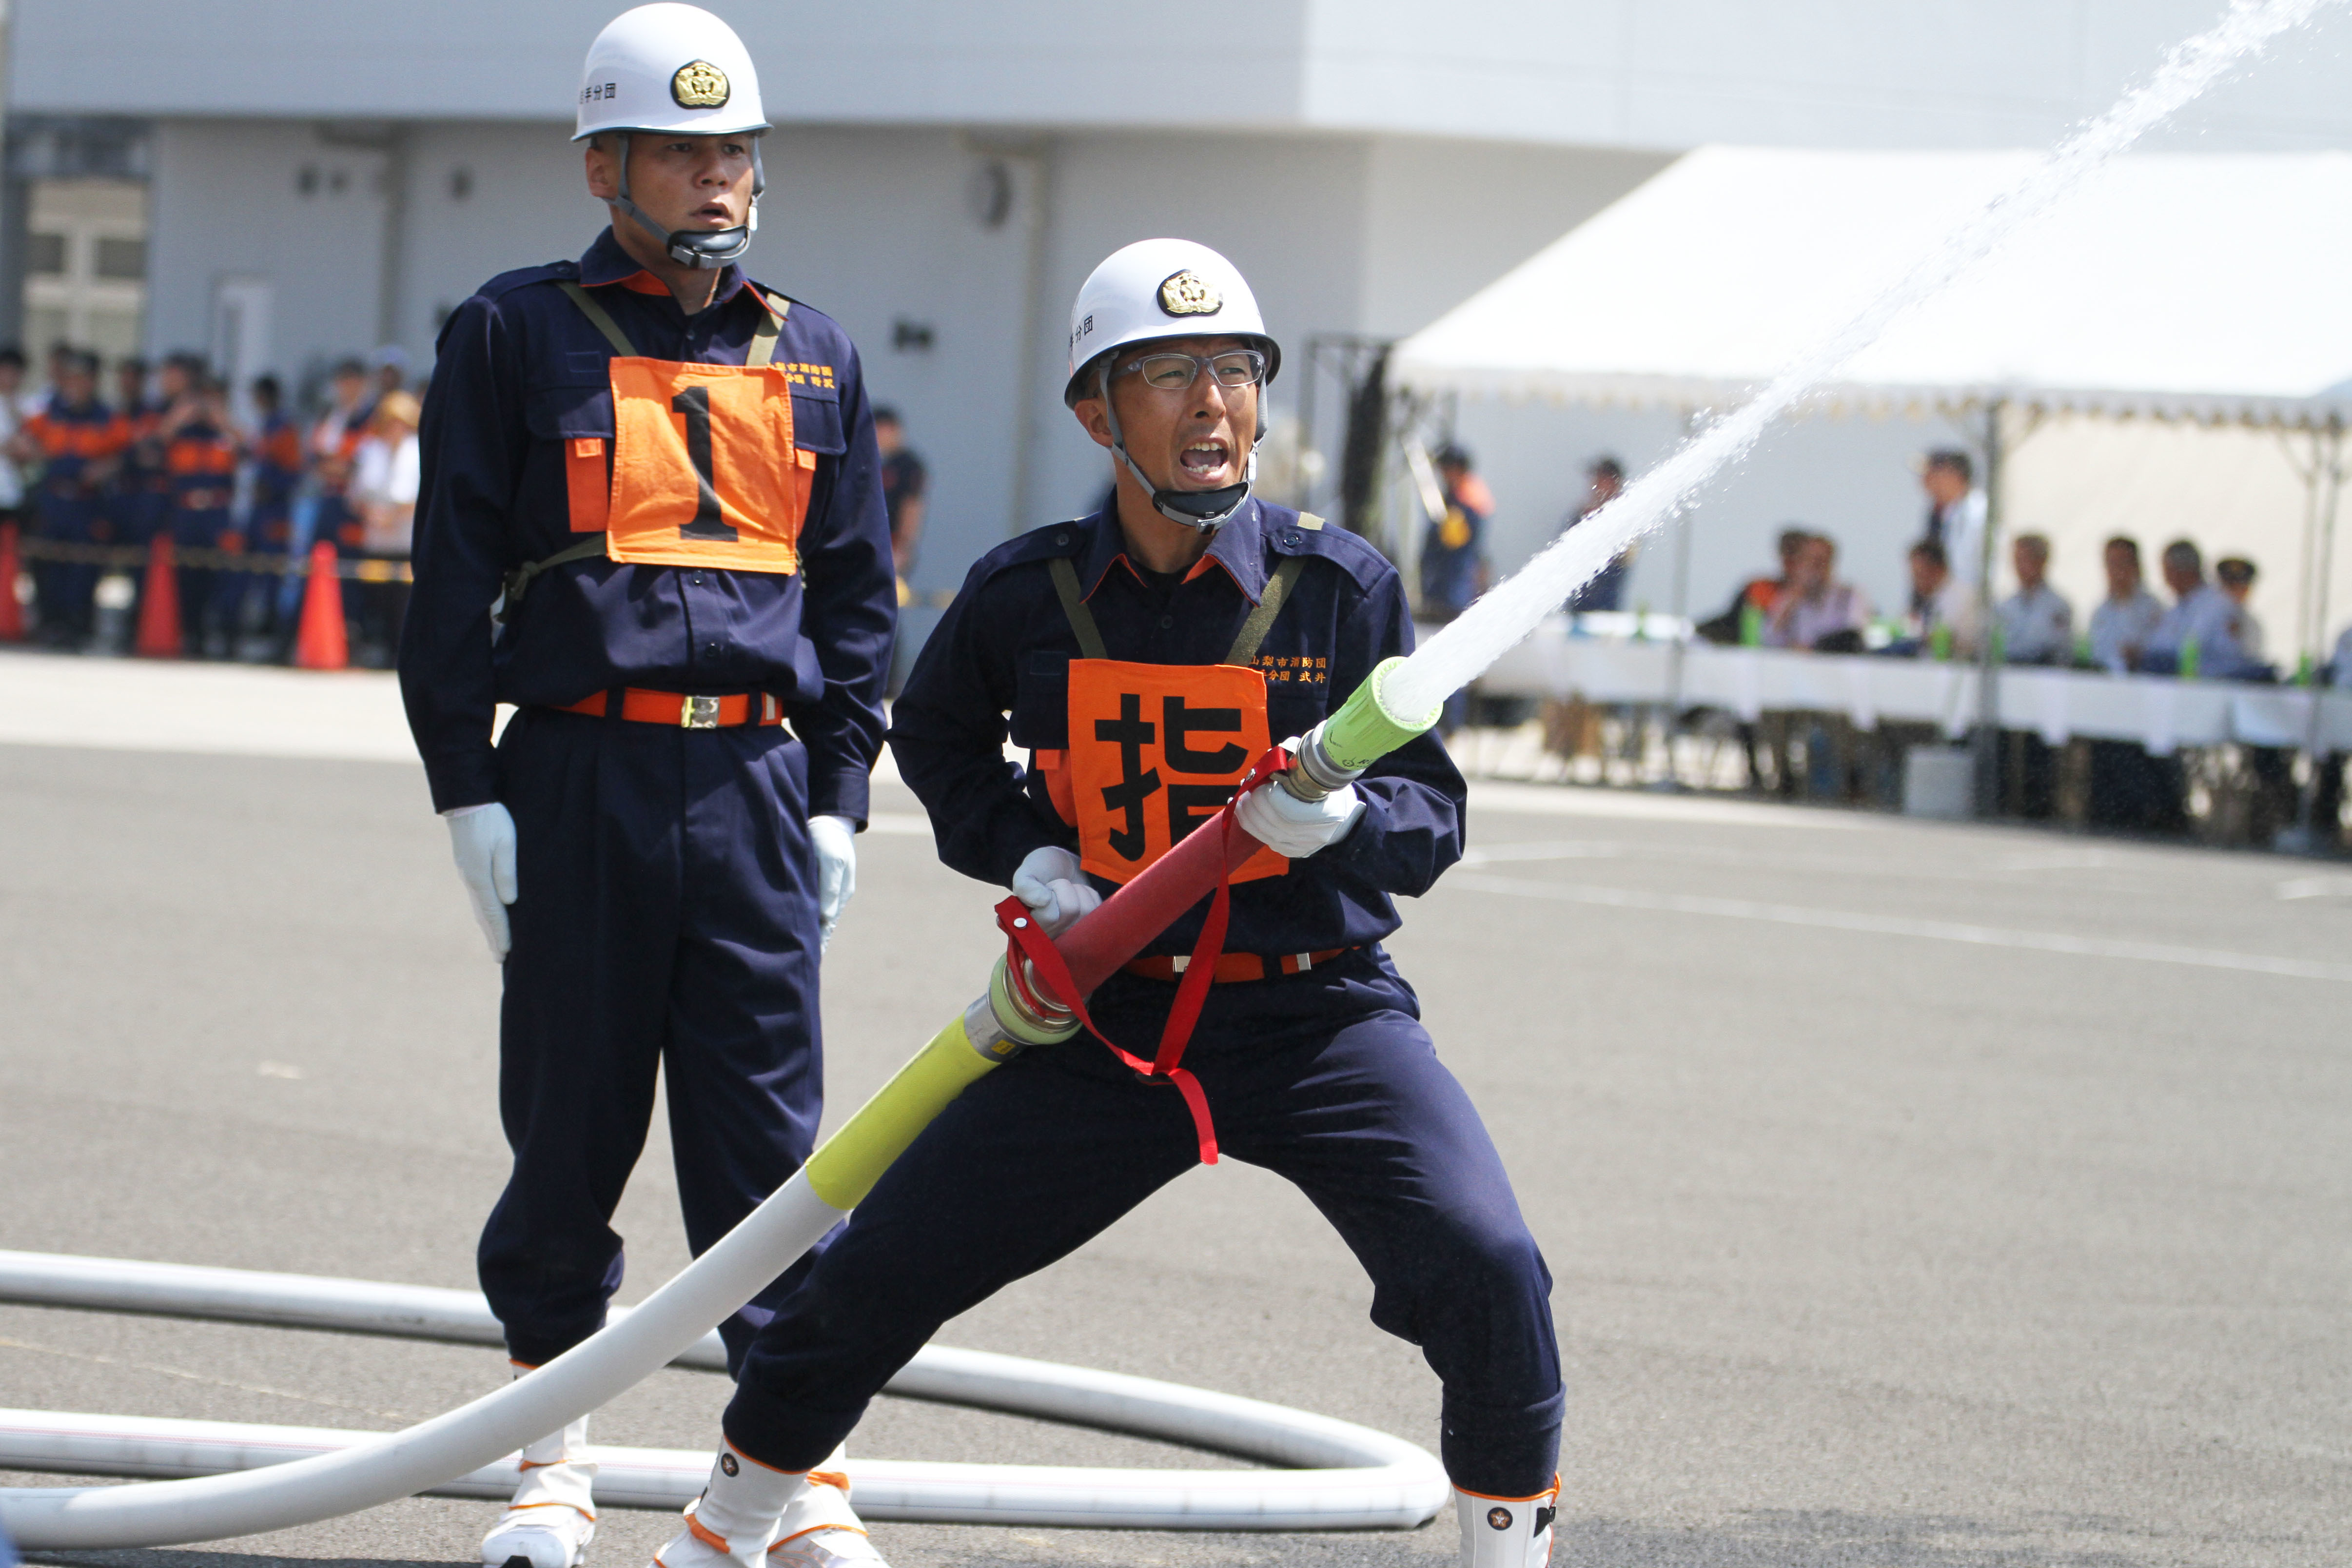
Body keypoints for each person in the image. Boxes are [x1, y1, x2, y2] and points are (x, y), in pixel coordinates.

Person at [652, 239, 1566, 1568]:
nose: (1213, 404)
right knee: (877, 1268)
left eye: (1235, 371)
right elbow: (941, 742)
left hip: (1317, 1022)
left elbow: (1436, 819)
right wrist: (1026, 856)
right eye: (1169, 375)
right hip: (1105, 1020)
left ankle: (1506, 1552)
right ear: (1097, 414)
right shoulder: (1033, 593)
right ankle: (724, 1529)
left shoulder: (1341, 588)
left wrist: (1348, 823)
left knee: (1489, 1265)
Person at [395, 7, 896, 1566]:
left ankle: (782, 1483)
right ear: (605, 164)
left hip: (753, 782)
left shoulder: (813, 348)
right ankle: (550, 1457)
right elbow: (448, 586)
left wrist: (836, 794)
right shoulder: (511, 331)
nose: (715, 177)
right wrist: (464, 787)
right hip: (574, 771)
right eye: (681, 151)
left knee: (774, 1147)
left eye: (734, 148)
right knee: (570, 1125)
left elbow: (858, 599)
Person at [12, 352, 130, 648]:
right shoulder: (49, 413)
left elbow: (125, 453)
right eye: (70, 379)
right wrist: (33, 454)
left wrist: (106, 466)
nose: (75, 386)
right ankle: (49, 623)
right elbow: (22, 442)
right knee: (46, 563)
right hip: (53, 498)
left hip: (87, 502)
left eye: (82, 379)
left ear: (93, 382)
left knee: (84, 566)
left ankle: (79, 626)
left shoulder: (106, 417)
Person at [159, 367, 247, 657]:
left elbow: (250, 450)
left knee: (223, 578)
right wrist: (180, 416)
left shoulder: (226, 434)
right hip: (186, 512)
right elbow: (151, 445)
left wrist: (222, 419)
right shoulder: (181, 433)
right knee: (187, 577)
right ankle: (191, 636)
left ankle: (225, 639)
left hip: (218, 512)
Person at [1419, 443, 1490, 737]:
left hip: (1453, 591)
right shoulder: (1462, 497)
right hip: (1448, 589)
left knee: (1449, 659)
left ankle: (1449, 723)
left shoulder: (1467, 501)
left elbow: (1452, 542)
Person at [351, 389, 421, 665]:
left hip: (405, 541)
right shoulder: (370, 451)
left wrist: (390, 517)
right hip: (376, 540)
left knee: (403, 602)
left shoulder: (417, 451)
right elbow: (356, 494)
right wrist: (372, 514)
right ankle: (380, 648)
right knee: (376, 597)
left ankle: (401, 653)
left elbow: (419, 495)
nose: (395, 428)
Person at [2142, 539, 2258, 678]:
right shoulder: (2177, 609)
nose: (2166, 580)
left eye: (2168, 571)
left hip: (2214, 684)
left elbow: (2192, 646)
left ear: (2182, 571)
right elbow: (2157, 646)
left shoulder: (2215, 604)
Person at [245, 373, 305, 639]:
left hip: (276, 510)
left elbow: (293, 472)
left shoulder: (283, 429)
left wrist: (271, 487)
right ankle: (261, 624)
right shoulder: (266, 426)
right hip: (261, 509)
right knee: (254, 567)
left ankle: (276, 631)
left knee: (274, 572)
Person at [1765, 532, 1869, 651]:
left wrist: (1814, 649)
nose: (1814, 567)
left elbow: (1853, 637)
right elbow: (1770, 639)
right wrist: (1790, 602)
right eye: (1809, 560)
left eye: (1821, 561)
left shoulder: (1849, 595)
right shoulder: (1790, 596)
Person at [1561, 454, 1633, 613]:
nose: (1595, 484)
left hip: (1605, 610)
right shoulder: (1579, 517)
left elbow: (1624, 557)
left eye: (1601, 479)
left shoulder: (1626, 520)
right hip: (1576, 608)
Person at [2086, 535, 2163, 673]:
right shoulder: (2100, 611)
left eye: (2121, 563)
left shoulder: (2152, 608)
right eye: (2111, 563)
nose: (2116, 571)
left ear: (2136, 566)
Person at [1917, 448, 1985, 596]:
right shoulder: (1938, 513)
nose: (1924, 482)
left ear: (1953, 476)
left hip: (1969, 602)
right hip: (1945, 600)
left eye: (1932, 474)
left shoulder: (1977, 513)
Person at [1995, 533, 2071, 665]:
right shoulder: (2006, 605)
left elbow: (2055, 648)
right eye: (2016, 560)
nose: (2018, 567)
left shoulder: (2058, 606)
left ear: (2041, 561)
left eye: (2025, 559)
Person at [872, 405, 925, 591]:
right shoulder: (881, 462)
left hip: (894, 546)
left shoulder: (908, 465)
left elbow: (912, 508)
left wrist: (903, 549)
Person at [1902, 537, 1981, 658]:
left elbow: (1967, 641)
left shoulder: (1963, 598)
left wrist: (1927, 637)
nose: (1915, 582)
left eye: (1918, 575)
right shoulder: (1930, 600)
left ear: (1937, 569)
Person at [2214, 556, 2264, 663]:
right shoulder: (2204, 616)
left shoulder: (2252, 624)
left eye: (2240, 587)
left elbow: (2253, 658)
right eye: (2230, 586)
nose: (2234, 593)